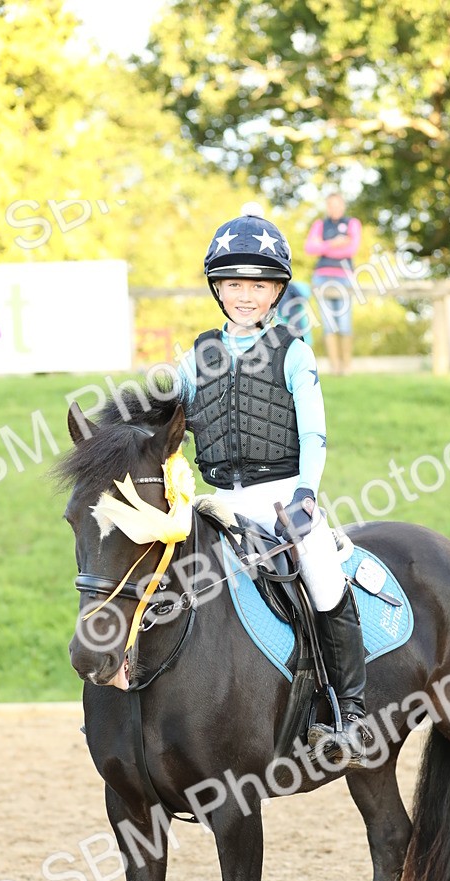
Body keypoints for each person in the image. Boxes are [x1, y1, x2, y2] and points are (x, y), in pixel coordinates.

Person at [178, 213, 373, 765]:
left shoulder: (294, 350)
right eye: (234, 283)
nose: (245, 295)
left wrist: (306, 495)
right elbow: (165, 416)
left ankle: (348, 713)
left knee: (323, 577)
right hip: (214, 501)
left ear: (276, 291)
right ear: (218, 288)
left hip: (282, 494)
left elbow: (313, 432)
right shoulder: (195, 357)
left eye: (258, 284)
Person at [304, 193, 362, 375]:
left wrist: (323, 246)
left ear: (343, 206)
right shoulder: (320, 225)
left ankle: (347, 366)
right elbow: (310, 248)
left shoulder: (353, 223)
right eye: (331, 205)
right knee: (328, 323)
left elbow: (351, 249)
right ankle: (334, 367)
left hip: (344, 277)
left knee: (345, 321)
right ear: (327, 206)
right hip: (321, 277)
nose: (334, 208)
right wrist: (335, 243)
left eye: (337, 205)